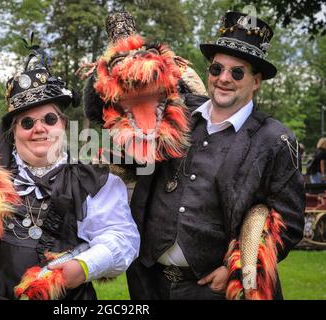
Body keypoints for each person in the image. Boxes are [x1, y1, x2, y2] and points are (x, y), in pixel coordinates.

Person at [0, 41, 140, 300]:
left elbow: (121, 237)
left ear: (62, 124)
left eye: (49, 119)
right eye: (27, 122)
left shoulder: (93, 180)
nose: (39, 129)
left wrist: (82, 267)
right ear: (14, 131)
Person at [126, 11, 305, 300]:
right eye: (217, 68)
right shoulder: (175, 116)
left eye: (237, 72)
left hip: (214, 290)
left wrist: (234, 269)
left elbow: (289, 223)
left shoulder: (275, 139)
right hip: (148, 281)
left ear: (256, 81)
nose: (224, 78)